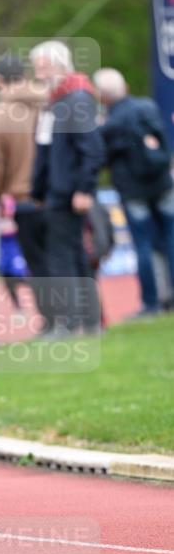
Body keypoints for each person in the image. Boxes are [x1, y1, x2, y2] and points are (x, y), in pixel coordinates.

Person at [30, 41, 104, 334]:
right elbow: (46, 152)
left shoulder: (76, 99)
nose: (37, 72)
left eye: (42, 65)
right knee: (71, 254)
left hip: (69, 192)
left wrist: (84, 188)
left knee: (63, 257)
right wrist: (39, 192)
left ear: (59, 64)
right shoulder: (58, 101)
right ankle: (88, 321)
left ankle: (72, 323)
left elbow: (93, 149)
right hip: (57, 193)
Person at [93, 67, 174, 316]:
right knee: (170, 238)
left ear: (102, 95)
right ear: (125, 86)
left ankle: (151, 302)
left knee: (144, 245)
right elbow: (162, 140)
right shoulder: (147, 107)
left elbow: (101, 158)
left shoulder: (109, 124)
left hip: (133, 191)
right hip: (161, 184)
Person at [0, 53, 51, 328]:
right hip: (59, 195)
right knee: (65, 256)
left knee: (38, 263)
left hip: (24, 199)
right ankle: (89, 318)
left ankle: (53, 321)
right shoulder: (51, 102)